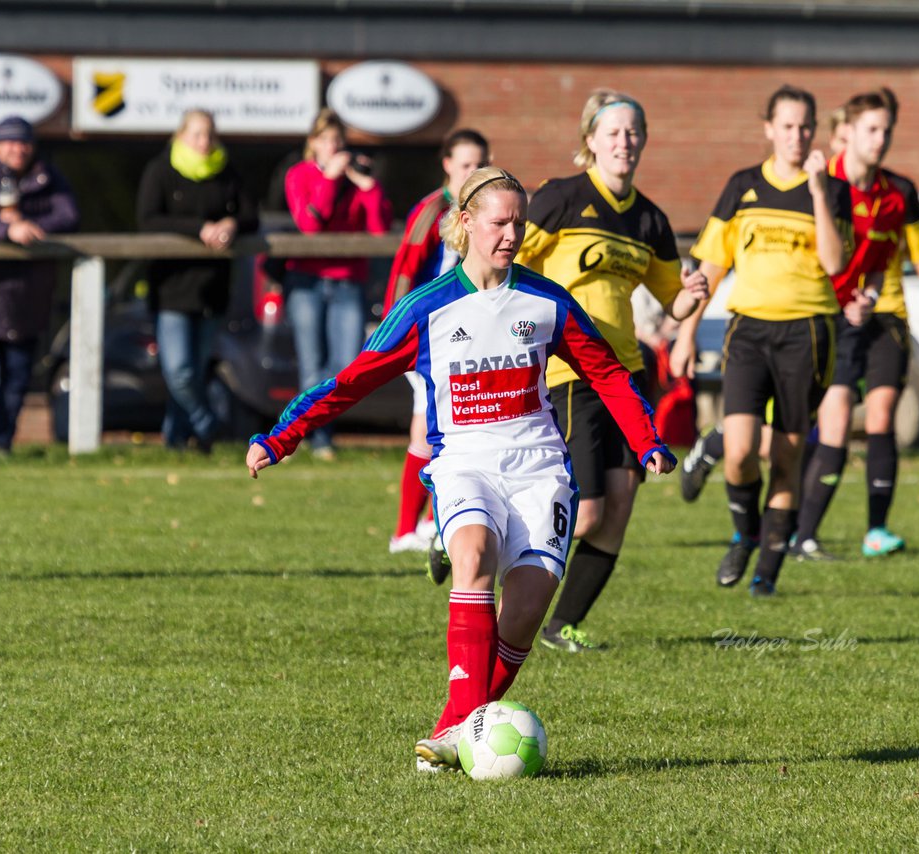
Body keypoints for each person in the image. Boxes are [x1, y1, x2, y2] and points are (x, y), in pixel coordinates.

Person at [246, 167, 676, 772]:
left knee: (525, 610)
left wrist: (647, 439)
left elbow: (605, 370)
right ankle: (463, 731)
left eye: (519, 224)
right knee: (471, 554)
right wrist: (282, 436)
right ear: (466, 223)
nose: (512, 235)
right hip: (465, 462)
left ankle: (455, 729)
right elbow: (354, 380)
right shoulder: (427, 309)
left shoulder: (546, 300)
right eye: (500, 222)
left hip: (540, 466)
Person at [515, 89, 706, 652]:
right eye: (614, 132)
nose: (625, 142)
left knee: (619, 506)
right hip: (569, 369)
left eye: (633, 132)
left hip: (626, 375)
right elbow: (509, 261)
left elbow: (672, 299)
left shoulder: (649, 218)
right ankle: (478, 539)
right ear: (590, 140)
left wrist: (691, 295)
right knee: (589, 507)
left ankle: (560, 624)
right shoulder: (561, 198)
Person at [675, 84, 852, 597]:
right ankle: (743, 534)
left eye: (805, 127)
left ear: (814, 131)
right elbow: (711, 264)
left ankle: (767, 574)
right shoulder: (742, 185)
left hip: (809, 333)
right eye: (788, 125)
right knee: (739, 449)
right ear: (769, 128)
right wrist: (687, 332)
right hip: (749, 330)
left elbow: (837, 264)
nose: (797, 136)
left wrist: (819, 191)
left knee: (789, 456)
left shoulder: (832, 190)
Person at [789, 88, 919, 559]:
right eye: (871, 129)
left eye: (887, 131)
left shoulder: (898, 192)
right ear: (847, 132)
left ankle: (875, 531)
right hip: (828, 315)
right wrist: (841, 300)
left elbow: (915, 253)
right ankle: (800, 531)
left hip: (883, 314)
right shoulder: (826, 184)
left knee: (882, 413)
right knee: (827, 421)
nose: (880, 139)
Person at [384, 129, 490, 556]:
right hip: (428, 335)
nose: (471, 172)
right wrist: (396, 331)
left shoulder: (482, 209)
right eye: (465, 165)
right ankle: (404, 531)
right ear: (446, 164)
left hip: (467, 336)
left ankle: (431, 522)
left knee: (458, 428)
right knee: (428, 430)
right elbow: (405, 272)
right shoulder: (432, 211)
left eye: (478, 164)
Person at [0, 116, 79, 459]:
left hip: (28, 300)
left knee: (16, 381)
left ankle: (1, 446)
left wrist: (30, 226)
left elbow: (69, 215)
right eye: (9, 141)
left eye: (23, 142)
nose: (17, 148)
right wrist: (2, 229)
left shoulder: (48, 176)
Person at [137, 109, 258, 452]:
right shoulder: (160, 170)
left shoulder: (227, 171)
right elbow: (147, 220)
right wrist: (199, 229)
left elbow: (250, 215)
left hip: (212, 288)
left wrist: (231, 224)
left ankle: (177, 441)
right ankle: (208, 423)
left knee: (196, 369)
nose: (204, 142)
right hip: (171, 287)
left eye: (209, 135)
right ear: (180, 136)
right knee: (179, 371)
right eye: (197, 134)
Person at [283, 109, 392, 459]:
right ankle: (314, 438)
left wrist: (368, 186)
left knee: (346, 364)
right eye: (327, 140)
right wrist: (328, 179)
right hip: (307, 281)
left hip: (348, 281)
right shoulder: (299, 175)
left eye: (338, 141)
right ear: (313, 143)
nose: (334, 147)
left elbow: (378, 231)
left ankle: (307, 428)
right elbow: (310, 226)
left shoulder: (355, 179)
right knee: (311, 364)